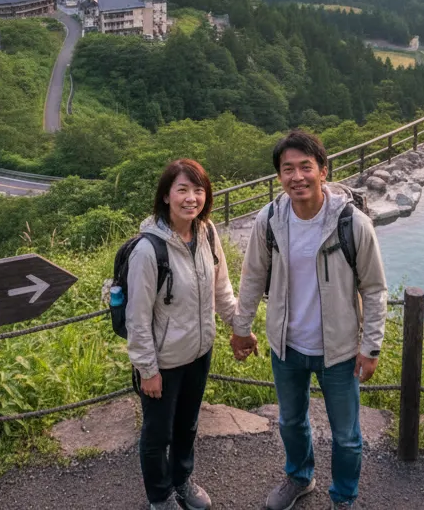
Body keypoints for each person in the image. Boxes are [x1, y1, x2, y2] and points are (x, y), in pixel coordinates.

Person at [231, 131, 388, 510]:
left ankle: (344, 498)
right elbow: (252, 276)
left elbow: (374, 289)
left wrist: (370, 346)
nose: (297, 176)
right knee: (290, 421)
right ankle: (300, 478)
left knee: (347, 435)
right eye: (288, 169)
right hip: (287, 345)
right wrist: (241, 328)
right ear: (279, 175)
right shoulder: (269, 220)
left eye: (306, 167)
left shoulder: (353, 224)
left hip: (338, 349)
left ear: (323, 170)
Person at [126, 158, 238, 510]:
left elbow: (221, 288)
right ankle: (160, 498)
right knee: (157, 434)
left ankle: (182, 480)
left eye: (199, 190)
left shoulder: (207, 232)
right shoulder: (148, 250)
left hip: (199, 351)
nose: (191, 198)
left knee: (188, 424)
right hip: (164, 360)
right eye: (183, 190)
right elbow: (137, 317)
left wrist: (239, 326)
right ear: (165, 196)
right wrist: (148, 370)